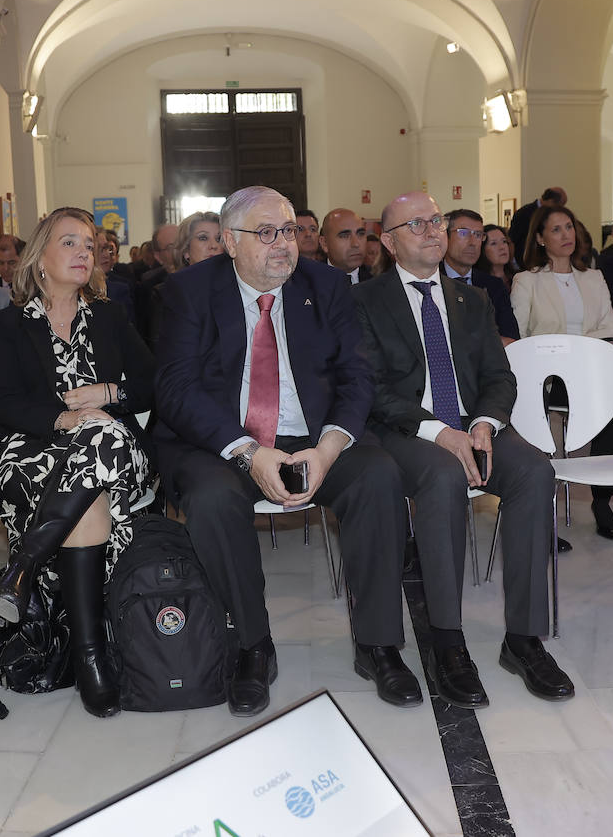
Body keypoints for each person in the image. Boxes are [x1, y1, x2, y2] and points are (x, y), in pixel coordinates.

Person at [155, 186, 422, 716]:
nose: (284, 244)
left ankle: (378, 644)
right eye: (267, 233)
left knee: (377, 477)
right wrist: (247, 451)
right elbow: (176, 390)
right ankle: (251, 646)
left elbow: (357, 377)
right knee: (211, 500)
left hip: (312, 435)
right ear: (229, 242)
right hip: (221, 439)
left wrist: (327, 450)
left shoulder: (325, 286)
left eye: (291, 232)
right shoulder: (187, 293)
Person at [353, 191, 574, 705]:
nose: (434, 231)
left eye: (437, 221)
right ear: (388, 241)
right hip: (406, 432)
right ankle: (447, 641)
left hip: (473, 427)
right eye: (417, 224)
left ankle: (523, 639)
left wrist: (484, 424)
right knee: (443, 475)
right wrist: (440, 432)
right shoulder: (364, 302)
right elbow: (371, 388)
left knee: (534, 472)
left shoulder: (469, 300)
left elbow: (500, 376)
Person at [0, 206, 156, 717]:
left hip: (110, 449)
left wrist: (109, 392)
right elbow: (6, 402)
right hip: (33, 448)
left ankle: (22, 567)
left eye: (89, 244)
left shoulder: (109, 315)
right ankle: (91, 659)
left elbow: (154, 383)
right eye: (70, 243)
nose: (84, 252)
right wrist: (62, 420)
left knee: (102, 430)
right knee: (89, 498)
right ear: (40, 258)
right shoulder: (11, 323)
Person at [510, 205, 613, 542]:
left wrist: (575, 346)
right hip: (551, 379)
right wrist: (576, 347)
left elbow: (611, 329)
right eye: (556, 230)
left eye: (569, 227)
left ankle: (603, 499)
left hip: (593, 371)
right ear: (540, 238)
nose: (567, 235)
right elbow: (524, 339)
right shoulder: (527, 281)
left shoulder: (593, 277)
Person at [148, 211, 226, 344]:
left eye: (219, 239)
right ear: (186, 251)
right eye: (203, 238)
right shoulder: (168, 293)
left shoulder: (237, 288)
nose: (214, 245)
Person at [442, 209, 518, 343]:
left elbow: (511, 337)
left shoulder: (494, 286)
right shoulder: (430, 281)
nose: (472, 242)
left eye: (478, 235)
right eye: (463, 233)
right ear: (445, 237)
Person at [509, 186, 566, 263]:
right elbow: (513, 239)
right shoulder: (524, 213)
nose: (560, 209)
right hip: (525, 261)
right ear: (551, 201)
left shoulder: (552, 215)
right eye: (560, 205)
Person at [320, 207, 372, 283]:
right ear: (324, 243)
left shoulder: (377, 279)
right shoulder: (308, 283)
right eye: (344, 236)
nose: (356, 244)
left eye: (361, 234)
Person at [97, 228, 135, 320]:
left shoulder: (119, 291)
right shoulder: (73, 291)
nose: (106, 255)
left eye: (106, 248)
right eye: (99, 249)